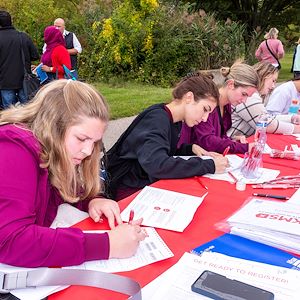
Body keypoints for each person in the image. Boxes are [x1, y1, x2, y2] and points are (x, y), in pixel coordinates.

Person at [0, 80, 146, 267]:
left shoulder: (51, 149)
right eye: (82, 138)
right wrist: (107, 245)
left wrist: (92, 200)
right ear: (52, 126)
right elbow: (10, 240)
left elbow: (62, 190)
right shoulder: (12, 149)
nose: (88, 151)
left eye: (94, 142)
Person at [104, 73, 229, 201]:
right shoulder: (157, 119)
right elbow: (157, 164)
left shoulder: (175, 120)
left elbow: (162, 150)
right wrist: (209, 165)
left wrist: (190, 149)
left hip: (143, 183)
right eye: (205, 109)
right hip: (125, 190)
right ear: (189, 97)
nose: (205, 118)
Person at [179, 63, 259, 155]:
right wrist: (244, 147)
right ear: (231, 84)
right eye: (244, 94)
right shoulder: (208, 105)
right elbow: (208, 141)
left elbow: (218, 136)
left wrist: (231, 140)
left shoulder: (226, 105)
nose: (244, 101)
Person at [228, 62, 300, 138]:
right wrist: (296, 128)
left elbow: (267, 117)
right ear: (264, 75)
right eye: (273, 80)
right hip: (230, 142)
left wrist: (292, 118)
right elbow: (267, 124)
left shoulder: (253, 95)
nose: (273, 86)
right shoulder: (250, 97)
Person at [0, 10, 39, 109]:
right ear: (10, 21)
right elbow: (35, 56)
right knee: (26, 111)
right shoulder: (23, 37)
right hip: (24, 80)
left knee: (9, 113)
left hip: (4, 81)